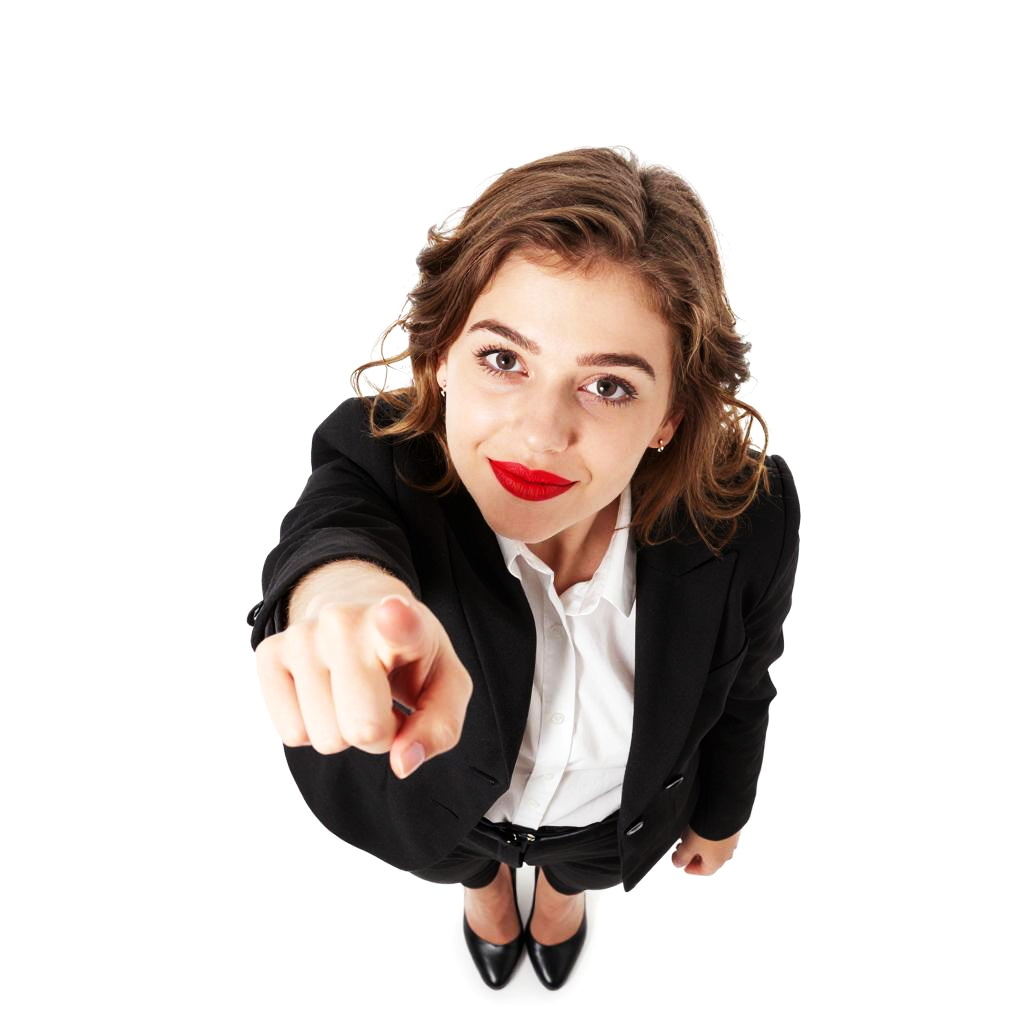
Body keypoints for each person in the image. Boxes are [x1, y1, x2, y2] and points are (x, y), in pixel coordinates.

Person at [247, 147, 800, 990]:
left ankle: (562, 899)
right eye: (504, 360)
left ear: (668, 418)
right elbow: (335, 533)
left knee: (578, 867)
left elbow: (746, 680)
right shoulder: (377, 459)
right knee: (464, 861)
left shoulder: (751, 516)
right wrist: (342, 594)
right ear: (439, 355)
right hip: (440, 811)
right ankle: (485, 891)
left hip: (605, 822)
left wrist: (724, 814)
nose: (540, 435)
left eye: (609, 386)